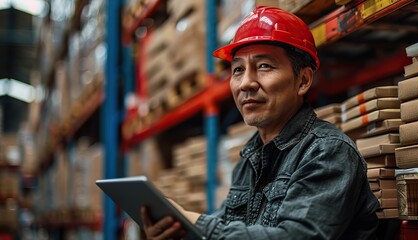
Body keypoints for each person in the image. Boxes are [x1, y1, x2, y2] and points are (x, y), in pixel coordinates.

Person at [141, 6, 379, 239]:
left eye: (264, 66)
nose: (246, 83)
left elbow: (298, 235)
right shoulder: (250, 160)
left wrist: (198, 223)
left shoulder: (327, 152)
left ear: (303, 80)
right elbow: (226, 227)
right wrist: (179, 231)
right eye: (237, 70)